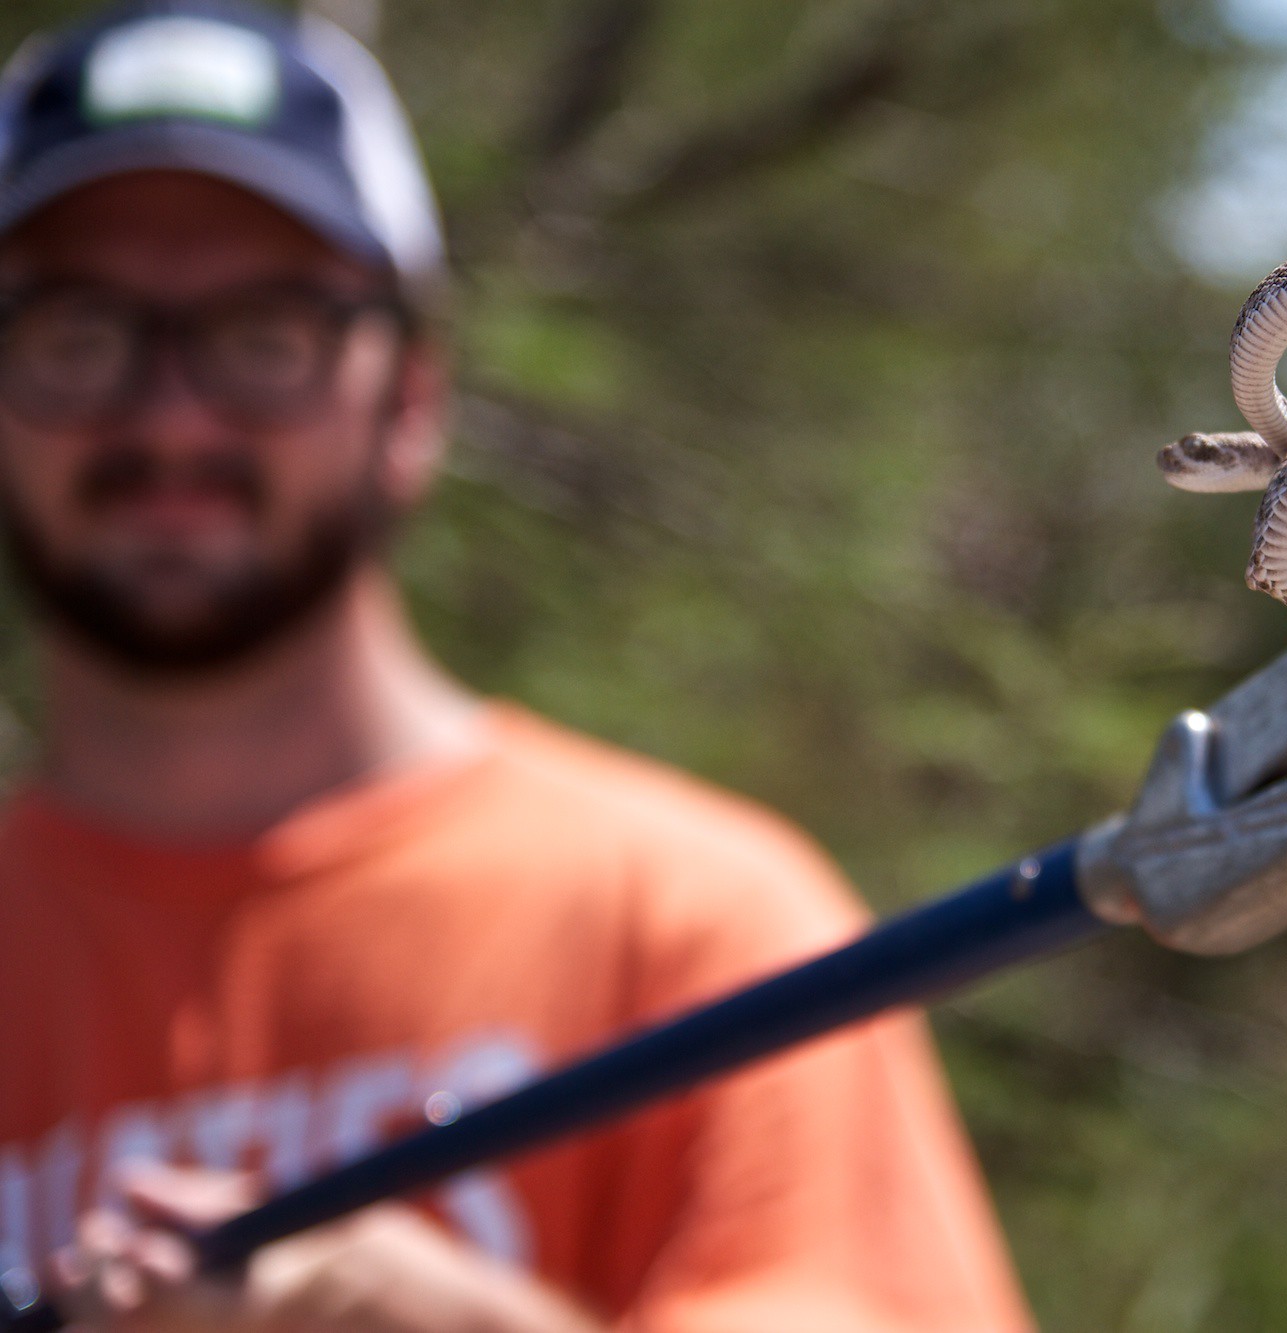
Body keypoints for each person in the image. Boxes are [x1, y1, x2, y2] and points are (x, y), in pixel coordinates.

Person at [0, 3, 1035, 1330]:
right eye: (79, 333)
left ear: (411, 400)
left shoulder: (698, 925)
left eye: (264, 333)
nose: (170, 413)